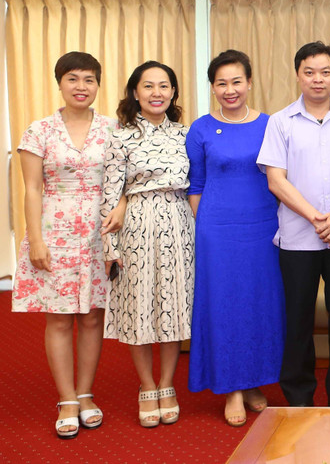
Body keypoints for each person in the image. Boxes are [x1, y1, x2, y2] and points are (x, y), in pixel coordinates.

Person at [257, 41, 330, 407]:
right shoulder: (280, 122)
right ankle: (299, 398)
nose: (317, 79)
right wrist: (319, 220)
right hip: (297, 240)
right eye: (309, 72)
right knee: (298, 322)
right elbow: (276, 180)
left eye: (325, 72)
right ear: (298, 75)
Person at [12, 52, 120, 438]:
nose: (81, 87)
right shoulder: (39, 130)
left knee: (92, 315)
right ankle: (67, 398)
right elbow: (31, 188)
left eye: (89, 79)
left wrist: (119, 214)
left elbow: (123, 183)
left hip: (99, 233)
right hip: (54, 232)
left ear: (98, 85)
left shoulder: (113, 129)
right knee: (58, 317)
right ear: (59, 83)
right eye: (73, 79)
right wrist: (36, 239)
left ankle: (86, 393)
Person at [186, 50, 284, 426]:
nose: (230, 90)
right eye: (222, 83)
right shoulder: (201, 128)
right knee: (224, 307)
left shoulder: (270, 125)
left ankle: (256, 381)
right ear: (213, 87)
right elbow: (195, 185)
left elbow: (281, 178)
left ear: (249, 83)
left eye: (236, 81)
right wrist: (206, 226)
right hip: (218, 232)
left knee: (260, 305)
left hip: (263, 228)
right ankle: (232, 389)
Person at [101, 61, 194, 428]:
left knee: (171, 305)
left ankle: (167, 384)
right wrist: (111, 245)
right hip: (136, 225)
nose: (157, 93)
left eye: (164, 86)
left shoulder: (186, 134)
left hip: (178, 223)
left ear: (173, 92)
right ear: (135, 92)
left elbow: (196, 184)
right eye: (148, 86)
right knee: (138, 308)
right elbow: (111, 192)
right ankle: (146, 386)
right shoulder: (120, 136)